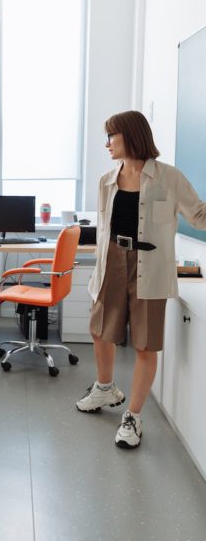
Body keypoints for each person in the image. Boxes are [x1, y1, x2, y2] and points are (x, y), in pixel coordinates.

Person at [76, 110, 206, 449]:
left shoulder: (169, 178)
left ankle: (132, 416)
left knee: (146, 344)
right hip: (111, 261)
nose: (107, 144)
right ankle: (105, 388)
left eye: (112, 137)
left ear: (131, 136)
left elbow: (199, 215)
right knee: (99, 329)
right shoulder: (106, 180)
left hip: (150, 265)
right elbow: (104, 228)